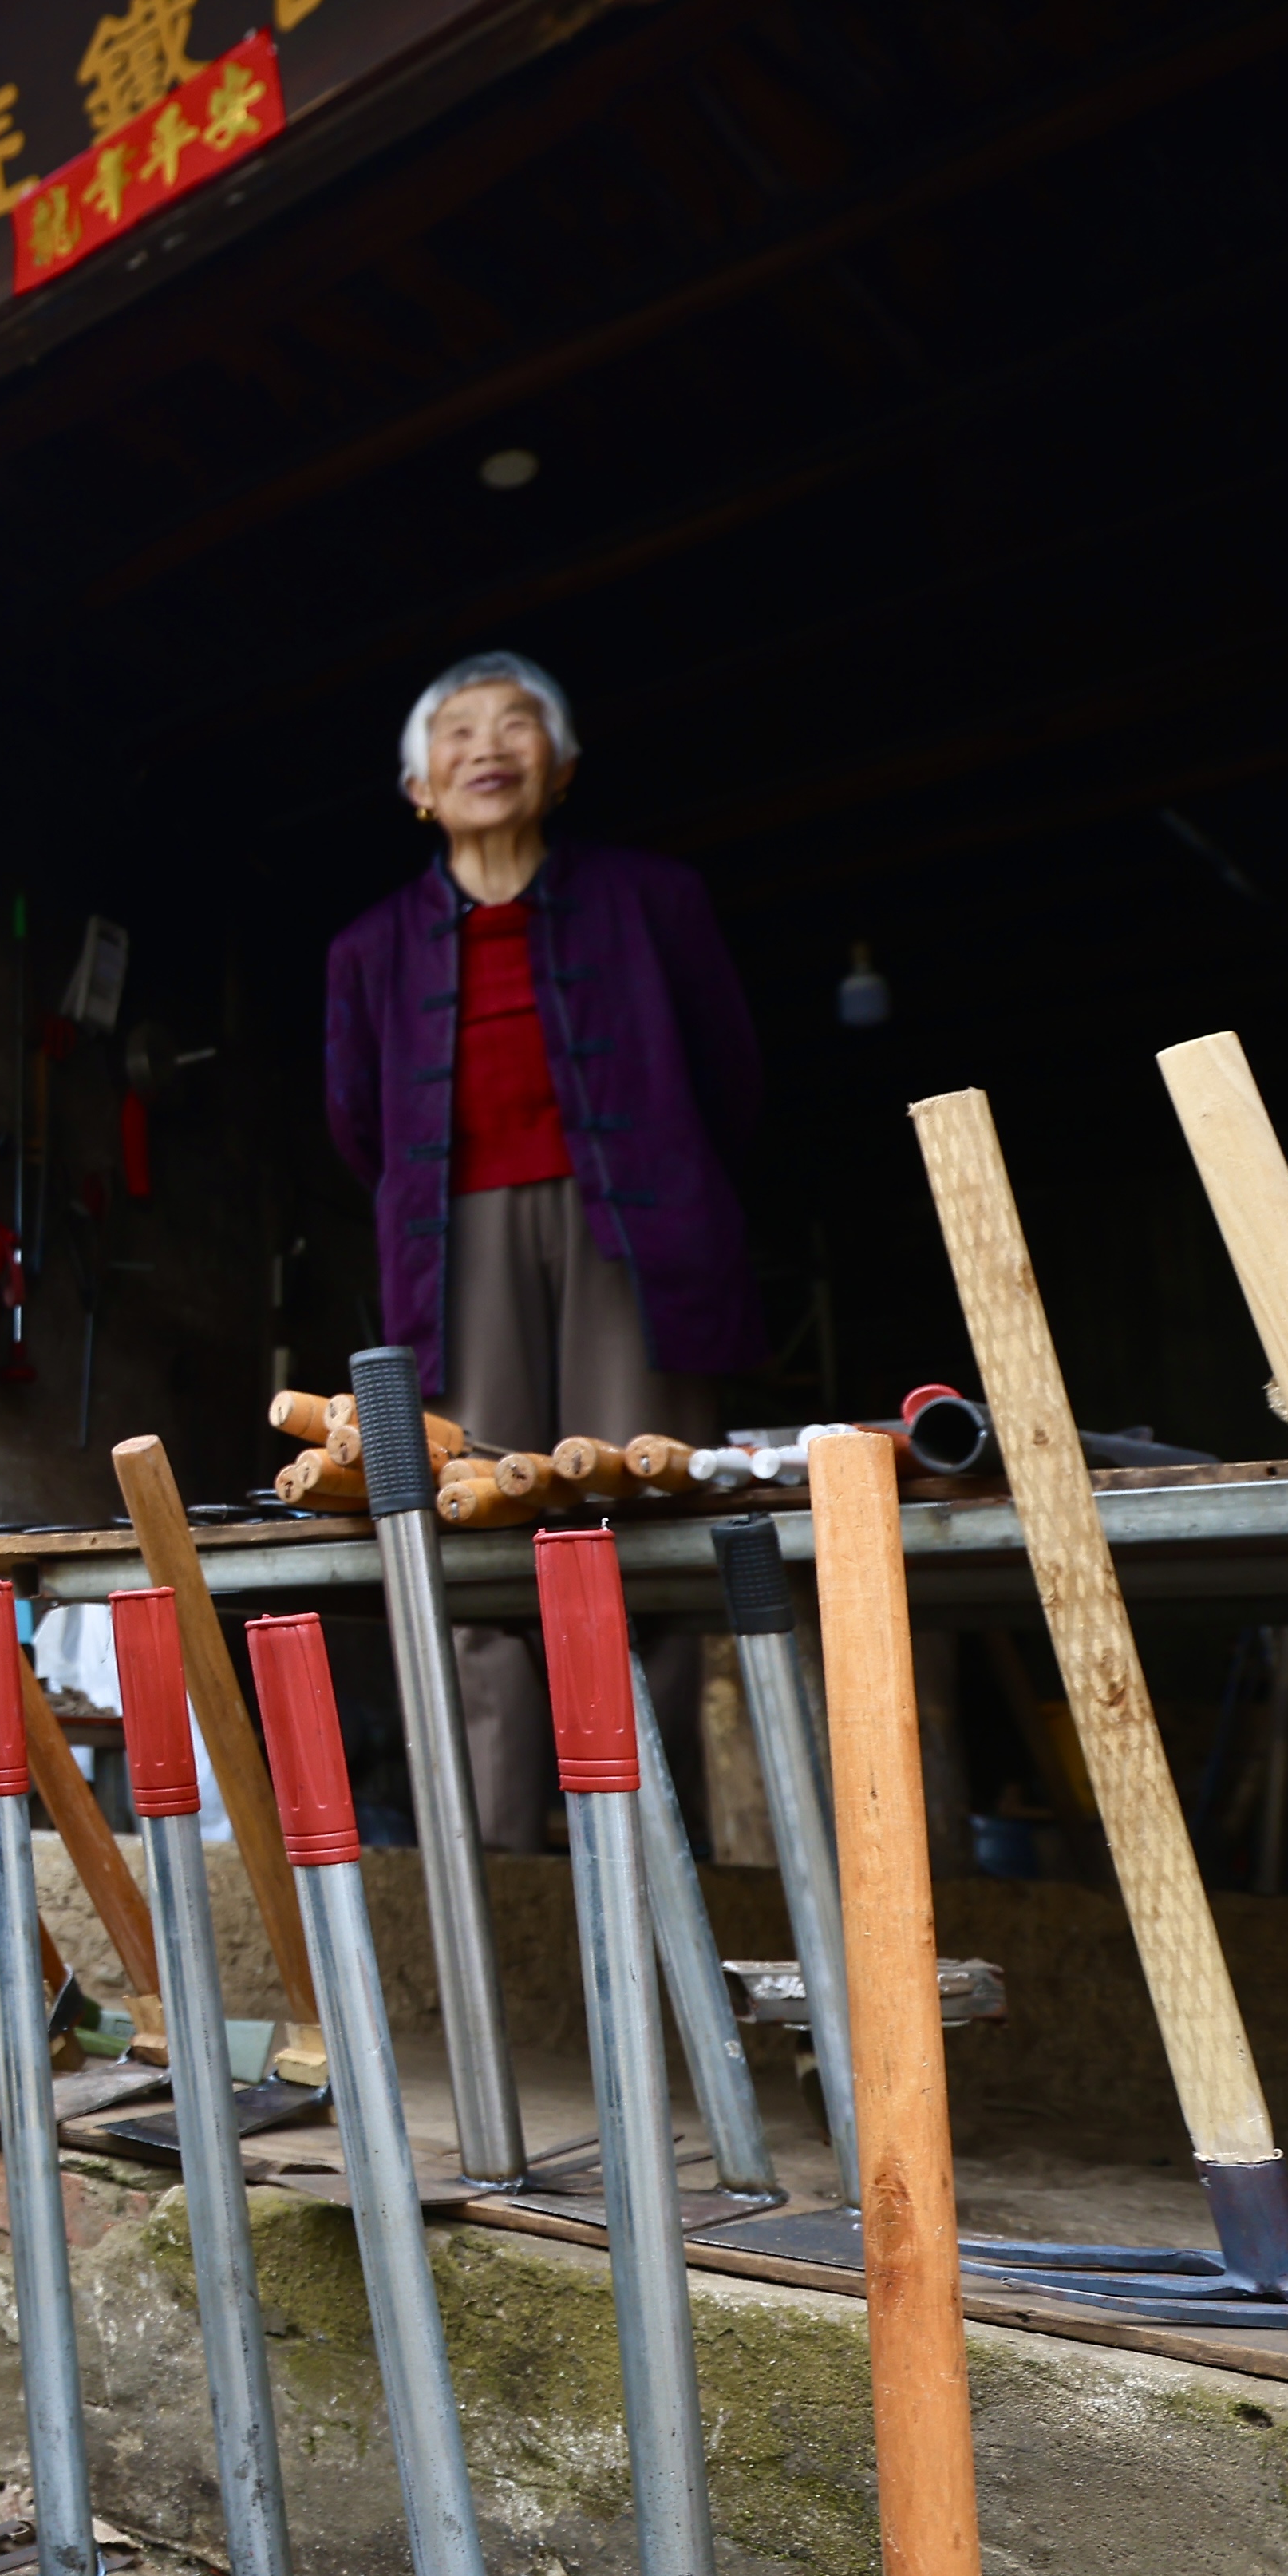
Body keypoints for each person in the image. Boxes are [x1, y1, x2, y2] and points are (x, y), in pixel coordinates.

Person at [321, 654, 760, 1846]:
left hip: (636, 1232)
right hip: (455, 1242)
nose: (487, 746)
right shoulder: (369, 948)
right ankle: (502, 1859)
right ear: (420, 789)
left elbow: (727, 1075)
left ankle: (654, 1851)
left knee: (644, 1510)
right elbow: (359, 1124)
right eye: (457, 732)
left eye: (515, 725)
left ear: (560, 770)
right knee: (476, 1518)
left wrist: (663, 1187)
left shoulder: (654, 901)